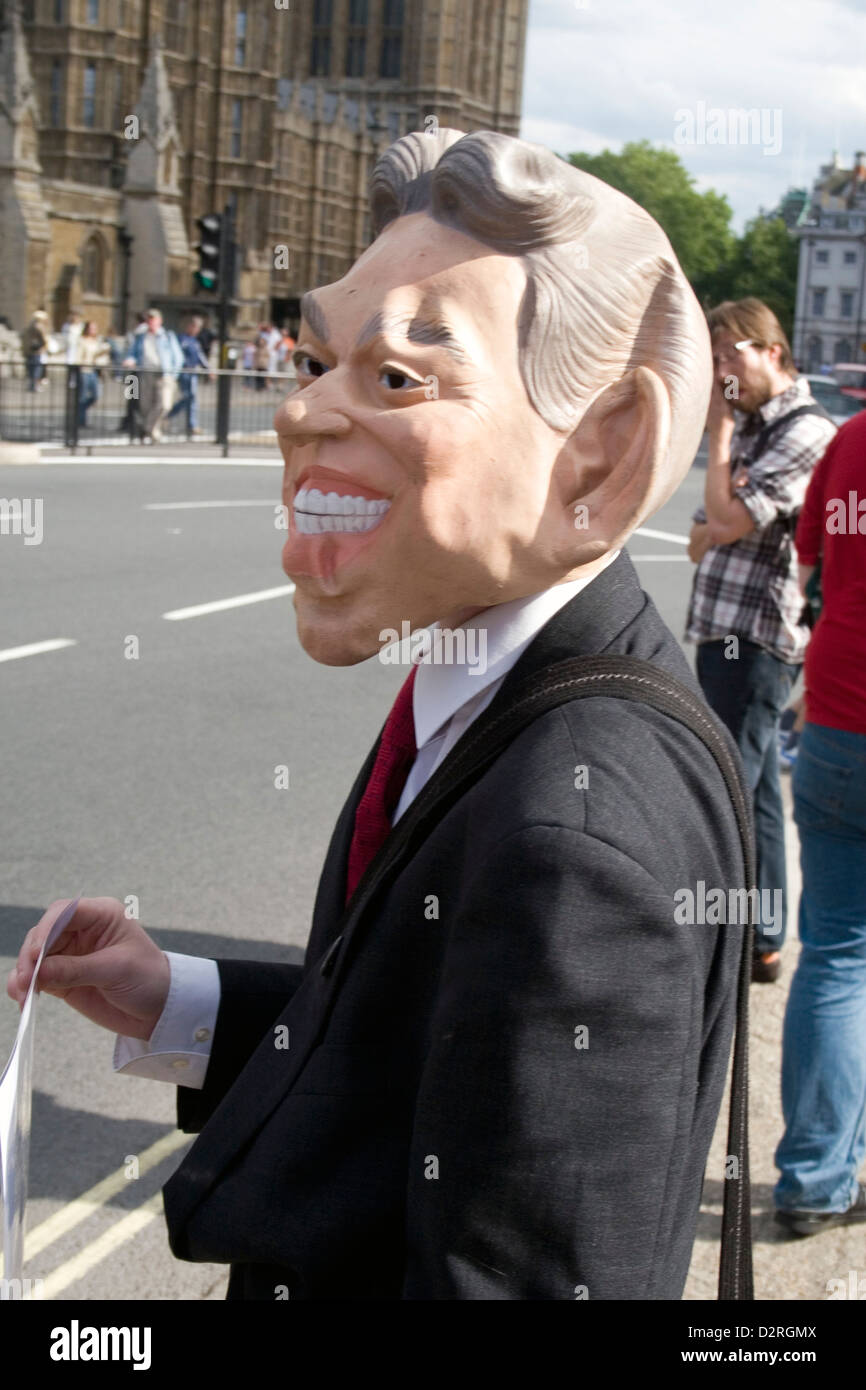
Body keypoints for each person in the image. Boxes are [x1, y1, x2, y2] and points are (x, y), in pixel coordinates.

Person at [10, 129, 748, 1301]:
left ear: (601, 454)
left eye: (398, 376)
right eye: (315, 362)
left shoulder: (576, 837)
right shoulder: (483, 684)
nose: (304, 414)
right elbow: (415, 1051)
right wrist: (177, 1002)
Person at [686, 299, 836, 984]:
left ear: (771, 350)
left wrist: (717, 442)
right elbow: (699, 535)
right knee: (758, 796)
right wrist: (721, 513)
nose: (720, 373)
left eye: (729, 356)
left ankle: (704, 943)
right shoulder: (754, 426)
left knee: (727, 788)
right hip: (724, 625)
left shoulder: (805, 431)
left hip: (758, 636)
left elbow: (725, 519)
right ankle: (762, 937)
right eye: (713, 359)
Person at [773, 410, 866, 1237]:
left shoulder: (852, 439)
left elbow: (814, 556)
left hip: (840, 717)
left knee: (836, 956)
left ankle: (812, 1177)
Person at [122, 308, 183, 443]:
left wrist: (173, 374)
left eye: (153, 319)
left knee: (164, 405)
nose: (151, 322)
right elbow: (133, 353)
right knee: (145, 405)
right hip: (145, 373)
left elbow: (178, 357)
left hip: (164, 374)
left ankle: (146, 428)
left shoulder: (167, 335)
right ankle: (153, 431)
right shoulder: (140, 336)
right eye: (149, 319)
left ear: (159, 321)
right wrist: (130, 360)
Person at [166, 315, 210, 436]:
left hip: (193, 373)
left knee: (191, 398)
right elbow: (177, 356)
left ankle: (191, 424)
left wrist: (208, 368)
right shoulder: (182, 339)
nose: (197, 330)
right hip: (184, 372)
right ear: (190, 326)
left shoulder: (195, 342)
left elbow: (200, 356)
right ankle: (171, 416)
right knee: (189, 398)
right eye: (196, 327)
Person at [76, 320, 110, 427]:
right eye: (91, 328)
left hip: (93, 370)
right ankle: (81, 420)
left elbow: (96, 355)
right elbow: (78, 355)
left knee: (96, 395)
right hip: (84, 370)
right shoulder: (82, 341)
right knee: (82, 396)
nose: (94, 330)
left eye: (95, 328)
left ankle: (80, 411)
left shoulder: (96, 341)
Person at [21, 310, 49, 391]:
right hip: (36, 351)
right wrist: (44, 346)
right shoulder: (38, 327)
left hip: (30, 351)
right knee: (36, 369)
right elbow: (44, 339)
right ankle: (34, 386)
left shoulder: (29, 327)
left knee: (32, 370)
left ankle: (32, 385)